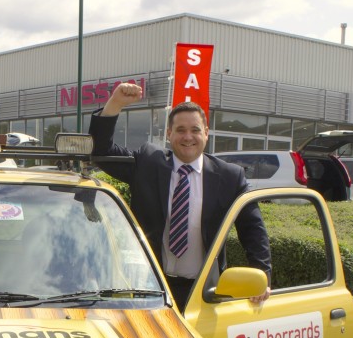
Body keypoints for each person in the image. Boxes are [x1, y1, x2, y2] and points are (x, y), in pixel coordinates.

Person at [89, 82, 271, 310]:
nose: (188, 137)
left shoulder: (230, 177)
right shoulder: (148, 163)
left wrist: (261, 274)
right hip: (150, 289)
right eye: (180, 130)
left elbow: (252, 228)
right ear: (169, 133)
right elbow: (101, 153)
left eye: (195, 130)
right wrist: (115, 103)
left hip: (204, 292)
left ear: (206, 133)